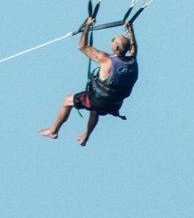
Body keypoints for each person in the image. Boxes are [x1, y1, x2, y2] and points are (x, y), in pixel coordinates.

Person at [39, 16, 138, 146]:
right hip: (114, 104)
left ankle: (53, 130)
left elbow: (82, 46)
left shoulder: (106, 59)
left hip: (101, 101)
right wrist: (131, 31)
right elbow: (133, 48)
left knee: (68, 100)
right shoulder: (132, 61)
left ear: (116, 47)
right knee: (94, 106)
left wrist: (87, 26)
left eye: (113, 40)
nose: (112, 40)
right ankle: (86, 135)